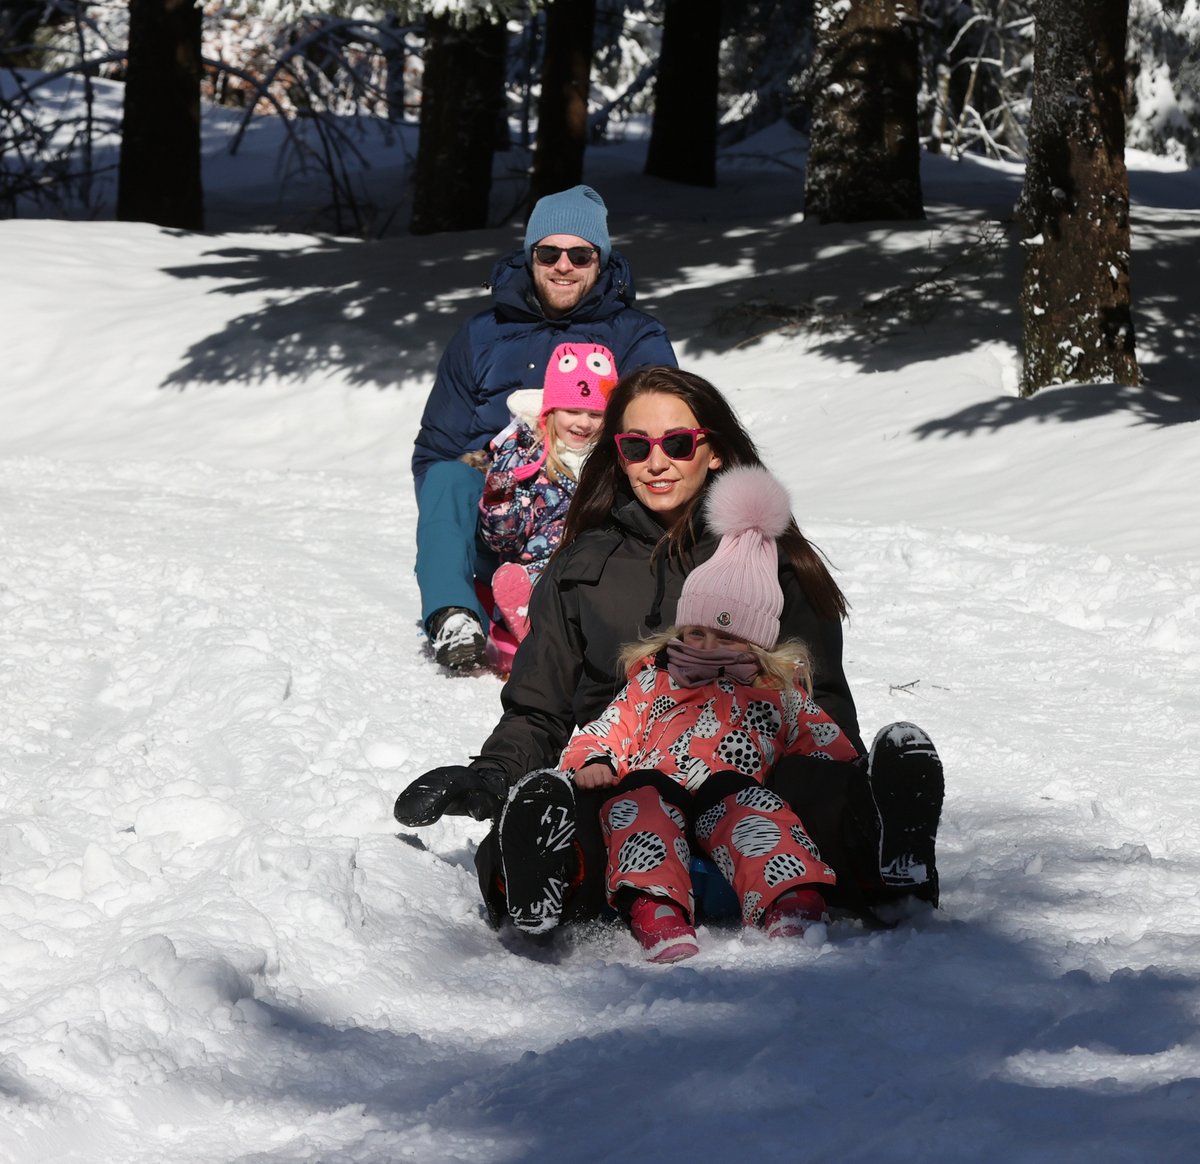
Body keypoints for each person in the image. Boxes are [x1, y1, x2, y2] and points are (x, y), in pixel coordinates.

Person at [395, 366, 944, 936]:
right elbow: (539, 707)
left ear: (714, 452)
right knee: (570, 808)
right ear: (618, 455)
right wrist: (490, 778)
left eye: (677, 444)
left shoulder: (773, 563)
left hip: (754, 791)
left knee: (814, 794)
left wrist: (843, 783)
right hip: (628, 786)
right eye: (636, 447)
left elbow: (820, 704)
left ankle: (886, 854)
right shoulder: (582, 567)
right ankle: (541, 877)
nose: (656, 463)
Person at [559, 464, 860, 963]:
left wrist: (851, 783)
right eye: (696, 632)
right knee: (639, 802)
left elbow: (829, 751)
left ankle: (790, 897)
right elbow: (608, 729)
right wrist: (595, 762)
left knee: (754, 808)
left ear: (756, 642)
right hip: (659, 799)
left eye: (726, 636)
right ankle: (656, 908)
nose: (705, 645)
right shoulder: (653, 680)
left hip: (729, 827)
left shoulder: (776, 693)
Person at [412, 184, 677, 670]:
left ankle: (575, 617)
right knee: (447, 475)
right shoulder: (481, 334)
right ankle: (455, 615)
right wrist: (465, 522)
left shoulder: (636, 336)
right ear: (529, 256)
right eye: (548, 252)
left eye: (580, 254)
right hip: (498, 513)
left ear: (601, 261)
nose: (563, 265)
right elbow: (437, 448)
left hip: (585, 513)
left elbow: (664, 437)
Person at [479, 342, 616, 642]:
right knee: (537, 582)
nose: (583, 423)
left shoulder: (613, 460)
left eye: (595, 414)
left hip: (598, 569)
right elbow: (503, 540)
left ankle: (579, 635)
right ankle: (529, 622)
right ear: (550, 411)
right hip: (540, 566)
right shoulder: (525, 458)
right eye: (572, 410)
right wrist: (499, 496)